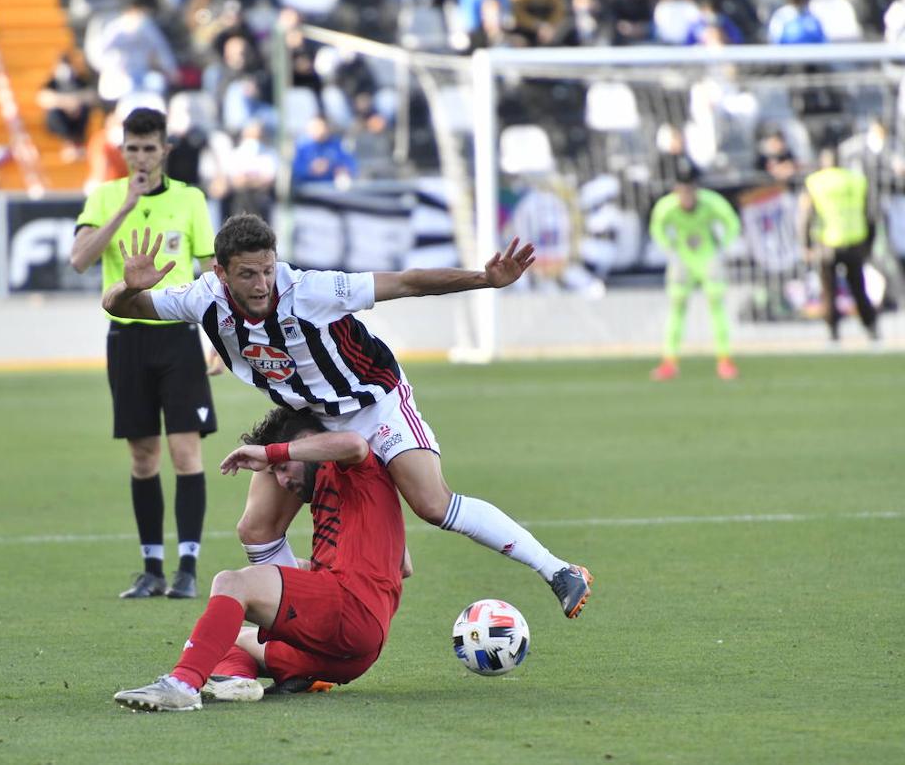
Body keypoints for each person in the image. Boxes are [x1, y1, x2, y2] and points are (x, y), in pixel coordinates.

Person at [103, 214, 594, 620]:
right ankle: (306, 623)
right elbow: (122, 307)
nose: (262, 283)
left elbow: (404, 282)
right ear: (222, 272)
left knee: (431, 503)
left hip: (374, 401)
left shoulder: (312, 290)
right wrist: (127, 290)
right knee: (256, 529)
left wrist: (485, 279)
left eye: (268, 270)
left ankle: (558, 570)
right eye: (248, 274)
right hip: (307, 418)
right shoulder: (203, 297)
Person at [114, 407, 410, 711]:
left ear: (308, 442)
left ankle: (182, 685)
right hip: (351, 654)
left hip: (350, 615)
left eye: (282, 467)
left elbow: (354, 444)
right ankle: (237, 681)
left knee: (232, 583)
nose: (281, 482)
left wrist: (272, 452)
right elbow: (405, 567)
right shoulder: (336, 491)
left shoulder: (353, 467)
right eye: (275, 472)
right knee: (226, 639)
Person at [69, 108, 218, 600]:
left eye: (149, 148)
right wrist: (125, 207)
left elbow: (213, 271)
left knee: (185, 451)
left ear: (165, 151)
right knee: (143, 456)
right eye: (131, 148)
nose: (139, 157)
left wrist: (220, 338)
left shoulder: (190, 199)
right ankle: (152, 567)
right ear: (122, 150)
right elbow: (80, 259)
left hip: (177, 337)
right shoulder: (106, 195)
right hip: (127, 338)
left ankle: (188, 568)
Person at [647, 172, 742, 381]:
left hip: (707, 256)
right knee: (677, 307)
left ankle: (725, 360)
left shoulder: (711, 203)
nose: (686, 197)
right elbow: (656, 227)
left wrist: (722, 246)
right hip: (682, 258)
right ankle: (669, 361)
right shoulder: (667, 207)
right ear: (676, 192)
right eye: (682, 192)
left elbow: (732, 223)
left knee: (717, 306)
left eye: (690, 192)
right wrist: (669, 248)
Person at [797, 148, 878, 343]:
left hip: (827, 243)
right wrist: (869, 243)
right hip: (855, 241)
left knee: (829, 290)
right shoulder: (856, 180)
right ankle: (871, 327)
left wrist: (805, 244)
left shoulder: (816, 182)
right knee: (859, 288)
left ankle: (833, 332)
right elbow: (870, 214)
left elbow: (806, 215)